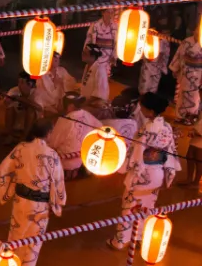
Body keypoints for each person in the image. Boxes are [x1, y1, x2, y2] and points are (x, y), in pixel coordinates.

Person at [0, 119, 66, 266]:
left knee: (16, 234)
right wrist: (58, 201)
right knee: (33, 239)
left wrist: (8, 188)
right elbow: (57, 181)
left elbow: (3, 169)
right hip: (40, 205)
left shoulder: (21, 148)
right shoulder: (51, 154)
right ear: (48, 133)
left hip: (20, 200)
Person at [110, 93, 180, 250]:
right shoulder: (167, 127)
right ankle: (140, 236)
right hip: (158, 172)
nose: (140, 109)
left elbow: (136, 153)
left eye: (142, 107)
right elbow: (170, 151)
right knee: (148, 205)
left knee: (129, 206)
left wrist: (124, 167)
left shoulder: (146, 129)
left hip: (143, 173)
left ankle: (121, 240)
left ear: (149, 111)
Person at [47, 93, 103, 179]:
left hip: (66, 163)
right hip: (84, 160)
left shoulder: (64, 120)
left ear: (70, 105)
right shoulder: (87, 115)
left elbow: (53, 143)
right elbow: (100, 128)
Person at [169, 32, 202, 125]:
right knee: (182, 95)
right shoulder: (187, 41)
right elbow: (179, 55)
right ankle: (179, 116)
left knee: (195, 97)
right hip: (186, 72)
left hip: (199, 75)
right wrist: (175, 69)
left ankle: (191, 118)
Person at [3, 72, 42, 143]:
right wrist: (8, 100)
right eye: (19, 82)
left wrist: (20, 99)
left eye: (22, 82)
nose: (19, 85)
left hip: (32, 124)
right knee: (10, 108)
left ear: (30, 84)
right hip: (18, 120)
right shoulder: (14, 90)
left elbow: (39, 107)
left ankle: (24, 137)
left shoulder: (37, 92)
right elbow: (6, 103)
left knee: (31, 110)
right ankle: (9, 134)